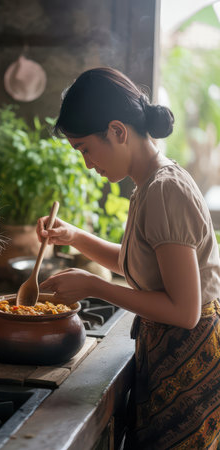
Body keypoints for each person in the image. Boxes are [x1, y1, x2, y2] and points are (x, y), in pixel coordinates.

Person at [36, 67, 220, 449]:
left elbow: (184, 310)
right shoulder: (149, 184)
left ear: (118, 131)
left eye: (86, 148)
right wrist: (74, 236)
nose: (87, 162)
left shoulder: (164, 190)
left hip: (188, 357)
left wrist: (93, 286)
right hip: (169, 351)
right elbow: (138, 266)